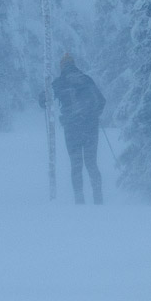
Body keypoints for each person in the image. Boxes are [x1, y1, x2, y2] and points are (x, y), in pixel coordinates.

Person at [49, 54, 106, 205]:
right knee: (91, 163)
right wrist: (93, 116)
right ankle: (98, 200)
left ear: (62, 66)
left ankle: (79, 201)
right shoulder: (86, 79)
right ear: (74, 64)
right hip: (90, 128)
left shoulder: (59, 83)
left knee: (76, 165)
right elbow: (101, 101)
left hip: (72, 129)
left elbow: (45, 101)